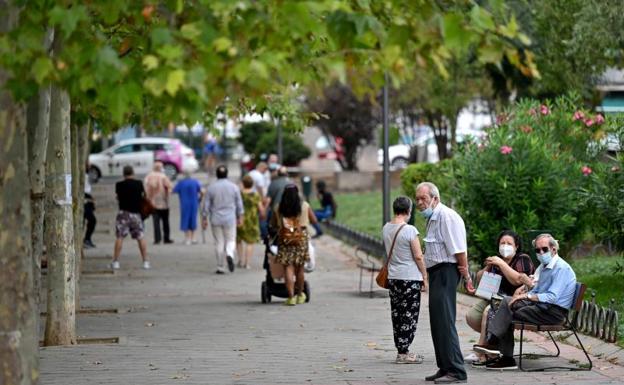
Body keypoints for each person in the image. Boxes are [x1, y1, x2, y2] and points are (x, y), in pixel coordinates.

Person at [474, 233, 577, 370]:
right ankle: (495, 346)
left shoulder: (561, 268)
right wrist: (523, 293)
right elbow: (536, 290)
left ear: (554, 249)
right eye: (537, 250)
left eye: (544, 249)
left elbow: (552, 297)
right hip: (541, 307)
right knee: (506, 301)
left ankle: (501, 352)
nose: (541, 252)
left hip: (553, 312)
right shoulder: (543, 266)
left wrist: (526, 297)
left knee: (509, 312)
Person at [415, 182, 472, 384]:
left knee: (445, 321)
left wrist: (466, 276)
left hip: (447, 272)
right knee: (437, 322)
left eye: (424, 198)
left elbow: (459, 250)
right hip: (437, 273)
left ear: (435, 198)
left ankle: (456, 370)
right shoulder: (433, 218)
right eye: (418, 199)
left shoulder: (447, 217)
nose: (420, 203)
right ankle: (445, 366)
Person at [464, 230, 535, 366]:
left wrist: (502, 264)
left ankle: (482, 351)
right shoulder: (497, 259)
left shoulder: (522, 259)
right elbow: (479, 277)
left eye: (509, 243)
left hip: (515, 301)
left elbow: (518, 280)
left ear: (516, 246)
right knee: (471, 316)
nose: (505, 246)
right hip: (494, 297)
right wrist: (489, 266)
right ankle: (493, 343)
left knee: (487, 312)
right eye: (502, 243)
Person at [383, 196, 428, 364]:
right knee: (409, 316)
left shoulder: (386, 228)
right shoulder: (409, 230)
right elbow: (418, 255)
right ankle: (404, 353)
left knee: (397, 314)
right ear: (408, 211)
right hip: (410, 278)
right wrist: (425, 275)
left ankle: (401, 350)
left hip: (394, 278)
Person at [270, 184, 317, 305]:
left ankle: (291, 297)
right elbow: (314, 220)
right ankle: (300, 295)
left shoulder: (278, 207)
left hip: (285, 240)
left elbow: (274, 224)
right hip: (301, 239)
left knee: (288, 268)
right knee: (299, 268)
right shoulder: (304, 205)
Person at [202, 165, 244, 274]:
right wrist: (240, 216)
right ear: (227, 174)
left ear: (216, 174)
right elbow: (239, 203)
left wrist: (204, 218)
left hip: (215, 218)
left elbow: (206, 204)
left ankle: (220, 266)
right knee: (231, 240)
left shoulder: (211, 187)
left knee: (219, 242)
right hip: (230, 218)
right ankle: (229, 253)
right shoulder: (234, 187)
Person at [111, 165, 150, 270]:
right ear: (133, 173)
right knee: (140, 237)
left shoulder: (119, 185)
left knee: (120, 237)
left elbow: (117, 197)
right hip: (136, 214)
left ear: (123, 174)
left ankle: (116, 262)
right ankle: (145, 261)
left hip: (123, 214)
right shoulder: (139, 183)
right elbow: (145, 196)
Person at [236, 175, 266, 269]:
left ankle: (240, 260)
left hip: (240, 219)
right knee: (250, 242)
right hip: (252, 221)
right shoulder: (255, 195)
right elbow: (261, 209)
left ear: (243, 184)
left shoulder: (239, 194)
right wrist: (263, 215)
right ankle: (247, 263)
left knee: (239, 240)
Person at [144, 161, 174, 244]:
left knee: (156, 222)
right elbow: (170, 187)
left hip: (153, 203)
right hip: (163, 202)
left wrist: (148, 199)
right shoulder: (163, 176)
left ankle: (157, 239)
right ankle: (166, 238)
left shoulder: (148, 176)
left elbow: (146, 189)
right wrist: (168, 194)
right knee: (165, 221)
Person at [173, 169, 203, 245]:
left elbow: (173, 191)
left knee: (185, 219)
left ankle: (187, 238)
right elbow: (202, 191)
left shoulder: (181, 183)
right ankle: (193, 238)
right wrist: (200, 198)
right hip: (194, 203)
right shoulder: (195, 182)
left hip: (184, 203)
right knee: (193, 219)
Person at [83, 167, 97, 249]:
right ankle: (86, 239)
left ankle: (87, 239)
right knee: (91, 220)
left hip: (86, 199)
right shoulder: (84, 176)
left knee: (91, 220)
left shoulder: (87, 176)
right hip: (84, 199)